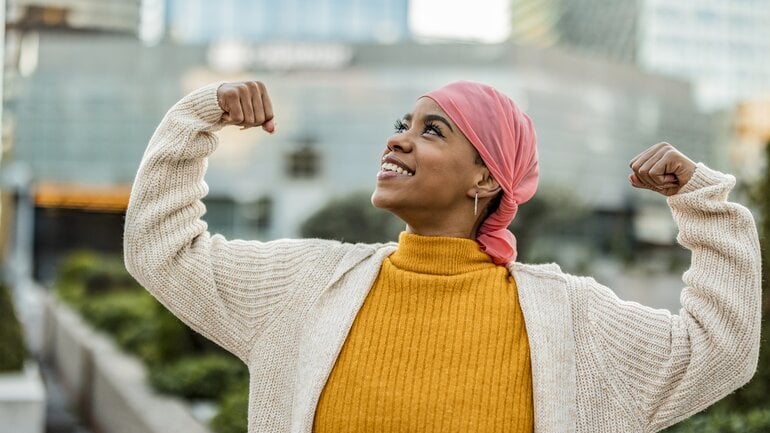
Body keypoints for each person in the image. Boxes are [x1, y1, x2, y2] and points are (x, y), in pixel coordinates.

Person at [123, 80, 761, 433]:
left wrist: (704, 204)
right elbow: (163, 250)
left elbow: (721, 349)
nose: (398, 138)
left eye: (432, 130)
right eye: (405, 122)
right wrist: (197, 118)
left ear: (486, 180)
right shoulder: (305, 285)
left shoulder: (573, 322)